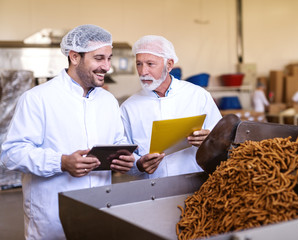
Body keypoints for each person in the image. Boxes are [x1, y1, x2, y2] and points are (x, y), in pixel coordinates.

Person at [0, 24, 135, 240]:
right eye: (99, 58)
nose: (107, 66)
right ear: (74, 57)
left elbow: (117, 141)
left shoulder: (107, 101)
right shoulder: (38, 98)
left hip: (99, 212)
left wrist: (128, 160)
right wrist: (61, 162)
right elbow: (11, 154)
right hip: (51, 217)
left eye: (109, 58)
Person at [120, 35, 222, 179]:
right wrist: (139, 165)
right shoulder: (128, 108)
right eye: (139, 64)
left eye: (150, 64)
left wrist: (209, 140)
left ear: (169, 65)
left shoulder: (197, 95)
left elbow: (222, 140)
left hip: (195, 184)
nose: (143, 72)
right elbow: (124, 156)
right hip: (151, 188)